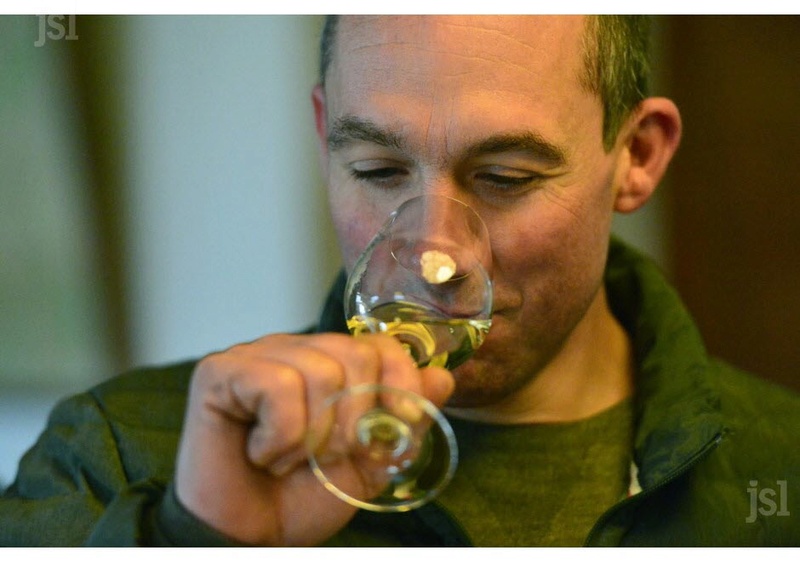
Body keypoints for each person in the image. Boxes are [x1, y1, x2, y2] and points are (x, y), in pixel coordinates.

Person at [1, 15, 798, 547]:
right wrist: (201, 545)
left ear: (638, 157)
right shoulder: (116, 457)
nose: (436, 255)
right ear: (324, 138)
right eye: (378, 169)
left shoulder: (781, 470)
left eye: (506, 177)